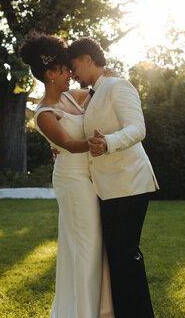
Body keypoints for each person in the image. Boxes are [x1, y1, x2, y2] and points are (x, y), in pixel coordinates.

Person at [19, 32, 114, 318]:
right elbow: (70, 144)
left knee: (94, 243)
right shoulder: (44, 113)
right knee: (87, 245)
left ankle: (101, 309)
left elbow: (100, 92)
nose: (70, 75)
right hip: (72, 182)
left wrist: (107, 75)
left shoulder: (72, 99)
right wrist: (103, 143)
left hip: (90, 177)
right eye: (63, 70)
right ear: (49, 74)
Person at [68, 37, 159, 318]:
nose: (73, 73)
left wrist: (108, 142)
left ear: (87, 59)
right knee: (117, 260)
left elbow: (138, 128)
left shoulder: (118, 86)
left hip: (129, 183)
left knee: (126, 257)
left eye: (74, 66)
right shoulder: (96, 90)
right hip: (109, 188)